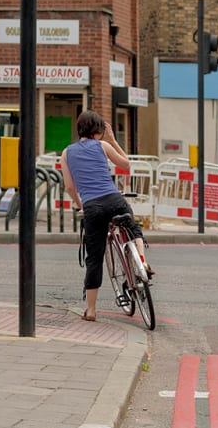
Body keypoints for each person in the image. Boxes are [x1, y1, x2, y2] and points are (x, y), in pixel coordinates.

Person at [59, 110, 152, 321]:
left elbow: (69, 186)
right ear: (99, 130)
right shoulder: (102, 145)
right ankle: (142, 262)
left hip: (92, 207)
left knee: (94, 258)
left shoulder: (66, 153)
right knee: (133, 226)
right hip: (113, 199)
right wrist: (113, 139)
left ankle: (91, 311)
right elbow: (126, 164)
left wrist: (79, 204)